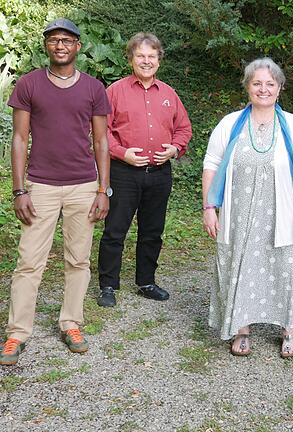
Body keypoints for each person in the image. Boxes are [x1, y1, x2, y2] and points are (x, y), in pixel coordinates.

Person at [1, 18, 111, 365]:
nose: (60, 46)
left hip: (82, 186)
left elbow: (101, 141)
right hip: (42, 185)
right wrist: (19, 190)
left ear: (78, 46)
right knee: (29, 262)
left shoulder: (94, 88)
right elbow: (19, 139)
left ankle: (71, 323)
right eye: (53, 40)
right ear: (46, 46)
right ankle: (17, 333)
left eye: (67, 40)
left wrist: (103, 189)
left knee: (78, 260)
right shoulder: (29, 84)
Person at [202, 58, 293, 358]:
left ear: (279, 89)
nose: (263, 89)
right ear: (247, 87)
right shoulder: (230, 123)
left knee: (288, 266)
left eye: (270, 84)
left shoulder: (292, 125)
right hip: (239, 214)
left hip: (285, 212)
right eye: (257, 83)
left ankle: (290, 328)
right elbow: (211, 165)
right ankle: (240, 327)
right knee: (239, 263)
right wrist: (208, 207)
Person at [96, 33, 192, 307]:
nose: (146, 61)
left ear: (159, 61)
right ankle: (108, 285)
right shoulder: (114, 91)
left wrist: (175, 148)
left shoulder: (169, 94)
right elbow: (102, 133)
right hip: (124, 173)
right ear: (131, 59)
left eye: (152, 56)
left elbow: (184, 129)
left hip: (159, 174)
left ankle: (146, 281)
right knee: (115, 229)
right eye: (141, 56)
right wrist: (122, 153)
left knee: (152, 231)